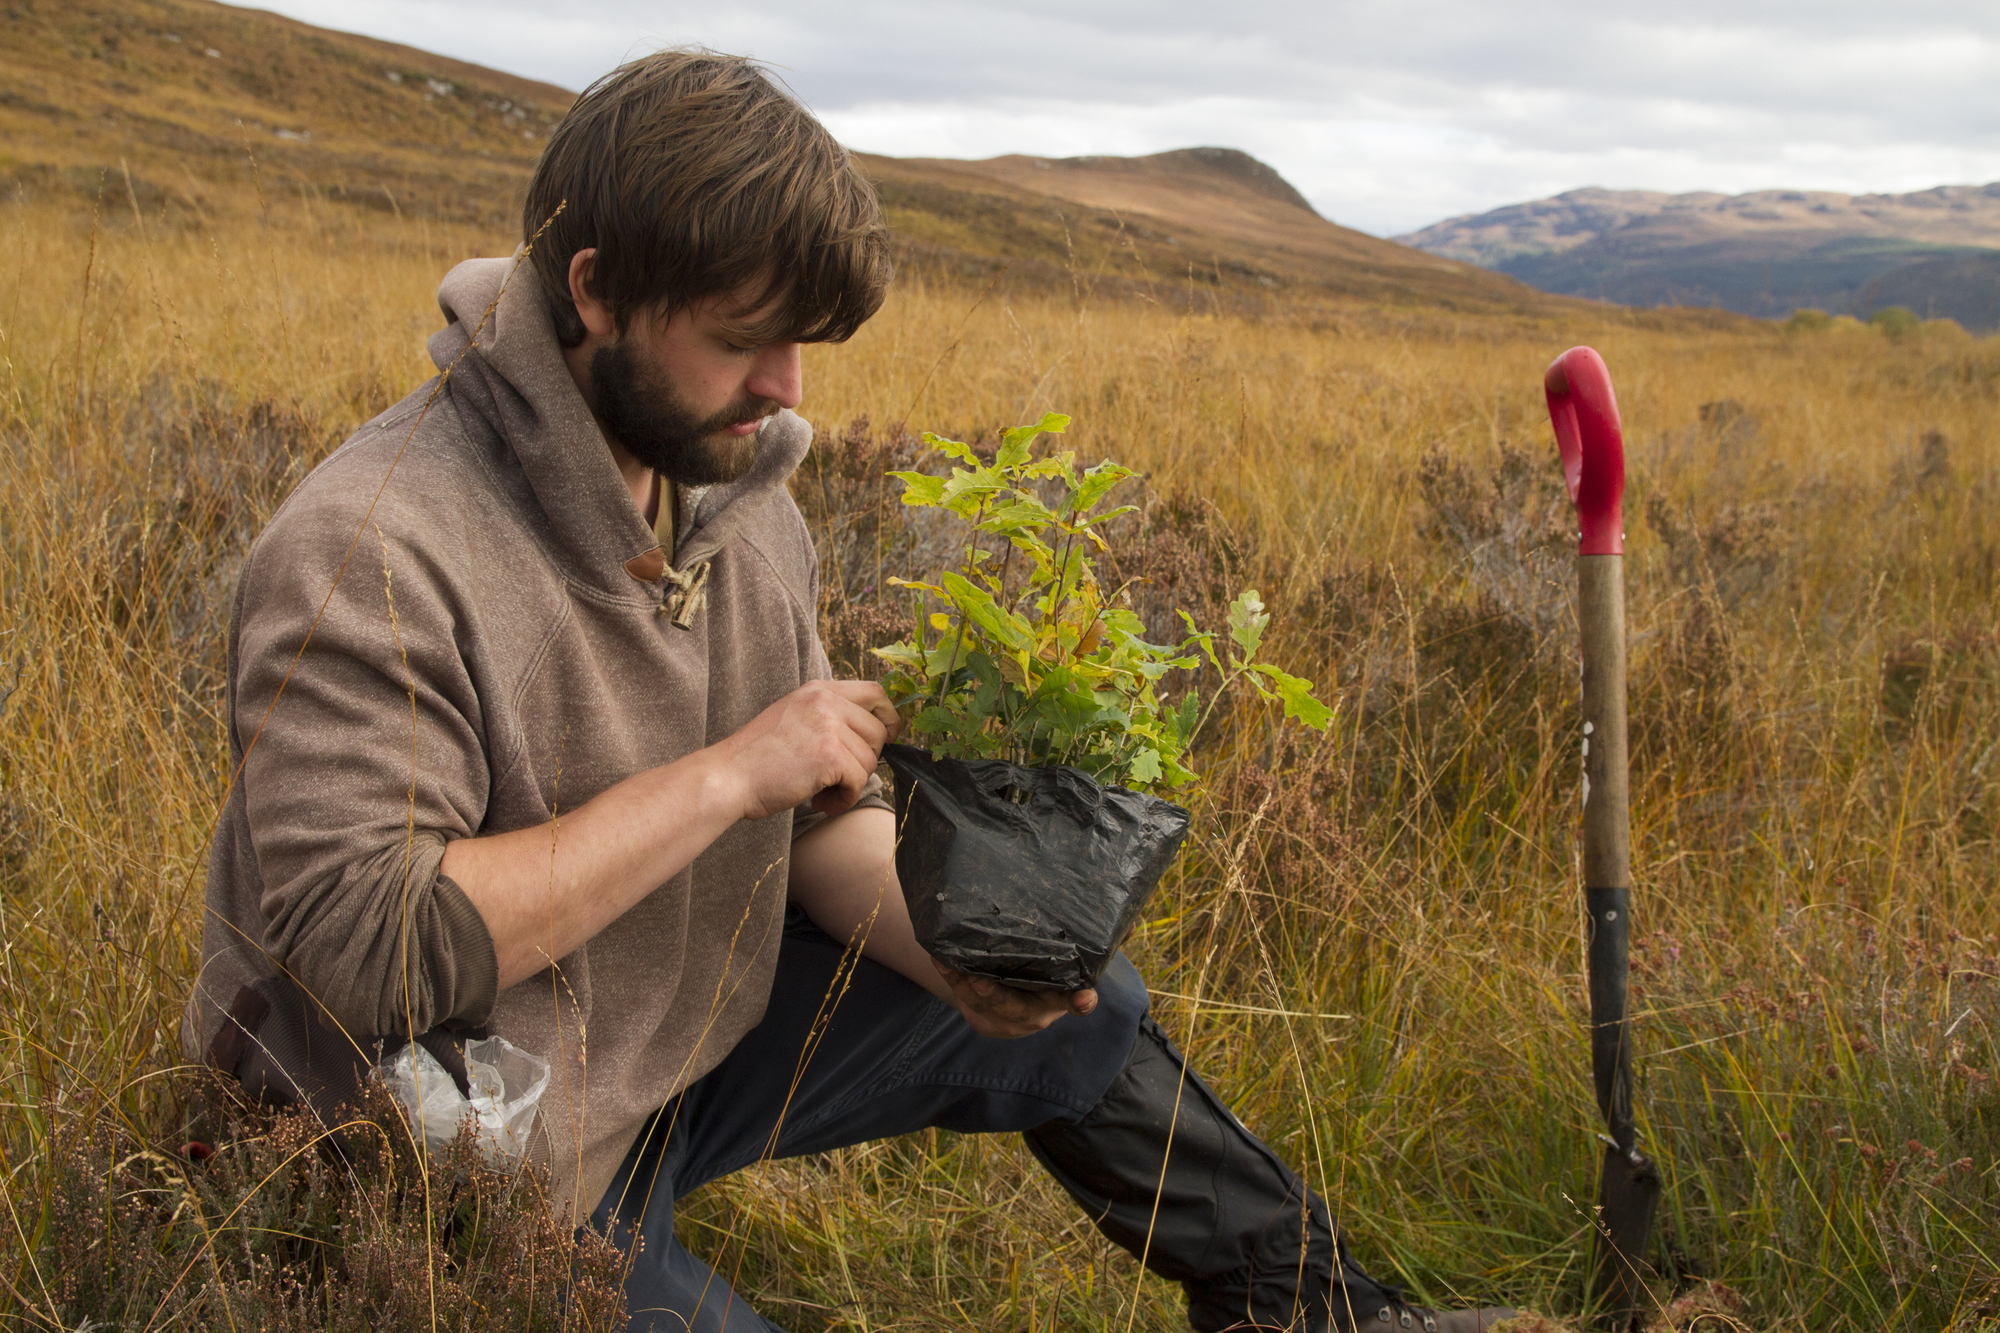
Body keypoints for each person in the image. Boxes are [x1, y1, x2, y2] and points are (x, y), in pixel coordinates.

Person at [184, 48, 1517, 1333]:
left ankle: (1315, 1311)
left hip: (673, 1045)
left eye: (807, 343)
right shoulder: (375, 550)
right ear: (593, 294)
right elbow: (374, 951)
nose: (788, 392)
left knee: (1086, 1007)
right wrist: (726, 774)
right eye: (745, 340)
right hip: (449, 1165)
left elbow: (817, 816)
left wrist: (954, 958)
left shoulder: (733, 491)